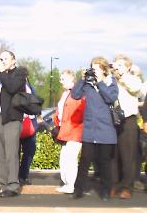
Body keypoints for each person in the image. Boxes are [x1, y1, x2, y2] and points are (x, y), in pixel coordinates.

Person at [71, 57, 119, 201]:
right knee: (84, 160)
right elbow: (75, 95)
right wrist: (82, 79)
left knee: (104, 161)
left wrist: (99, 83)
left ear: (104, 70)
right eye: (92, 68)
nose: (94, 71)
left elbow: (111, 98)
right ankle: (78, 190)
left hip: (106, 129)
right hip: (90, 129)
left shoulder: (110, 82)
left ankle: (106, 190)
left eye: (97, 68)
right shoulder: (87, 83)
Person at [0, 50, 27, 197]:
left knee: (11, 152)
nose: (2, 61)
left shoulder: (20, 73)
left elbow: (12, 88)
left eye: (5, 59)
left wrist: (2, 72)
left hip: (11, 118)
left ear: (14, 60)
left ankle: (13, 186)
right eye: (0, 59)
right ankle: (3, 185)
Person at [110, 55, 142, 199]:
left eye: (121, 65)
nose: (118, 68)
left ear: (128, 67)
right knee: (113, 155)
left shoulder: (133, 79)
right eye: (116, 65)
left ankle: (127, 187)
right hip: (113, 120)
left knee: (128, 156)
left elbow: (135, 89)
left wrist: (123, 76)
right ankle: (114, 184)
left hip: (128, 120)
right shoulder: (112, 80)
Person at [53, 70, 85, 194]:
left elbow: (79, 112)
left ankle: (71, 184)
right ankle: (67, 183)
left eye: (63, 78)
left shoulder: (78, 93)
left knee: (70, 158)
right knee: (64, 158)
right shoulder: (65, 93)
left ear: (72, 79)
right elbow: (60, 112)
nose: (61, 81)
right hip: (65, 130)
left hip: (75, 131)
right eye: (61, 78)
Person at [18, 70, 38, 186]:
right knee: (15, 152)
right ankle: (16, 176)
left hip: (30, 123)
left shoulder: (30, 88)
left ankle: (23, 175)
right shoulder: (14, 88)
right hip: (18, 122)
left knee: (29, 151)